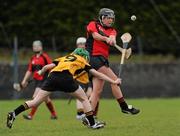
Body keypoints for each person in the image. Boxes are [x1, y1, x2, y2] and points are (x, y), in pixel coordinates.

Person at [6, 48, 121, 129]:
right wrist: (114, 81)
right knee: (84, 99)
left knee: (35, 102)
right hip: (65, 78)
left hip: (52, 77)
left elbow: (47, 67)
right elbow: (98, 74)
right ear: (84, 57)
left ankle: (14, 113)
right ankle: (92, 123)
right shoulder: (81, 60)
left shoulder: (64, 58)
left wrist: (40, 71)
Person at [86, 8, 140, 118]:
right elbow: (95, 36)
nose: (111, 20)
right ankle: (124, 107)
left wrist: (111, 39)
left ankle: (89, 117)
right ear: (102, 18)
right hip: (93, 58)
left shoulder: (112, 30)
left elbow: (112, 36)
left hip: (102, 60)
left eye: (112, 18)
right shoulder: (93, 24)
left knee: (97, 91)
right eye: (108, 18)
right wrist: (106, 39)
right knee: (114, 80)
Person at [20, 40, 58, 120]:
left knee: (36, 97)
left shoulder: (45, 57)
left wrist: (51, 77)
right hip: (37, 82)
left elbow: (52, 66)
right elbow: (29, 70)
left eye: (37, 46)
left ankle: (31, 115)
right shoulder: (33, 58)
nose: (36, 47)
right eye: (34, 46)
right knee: (46, 99)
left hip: (45, 81)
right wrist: (24, 80)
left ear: (41, 47)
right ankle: (54, 115)